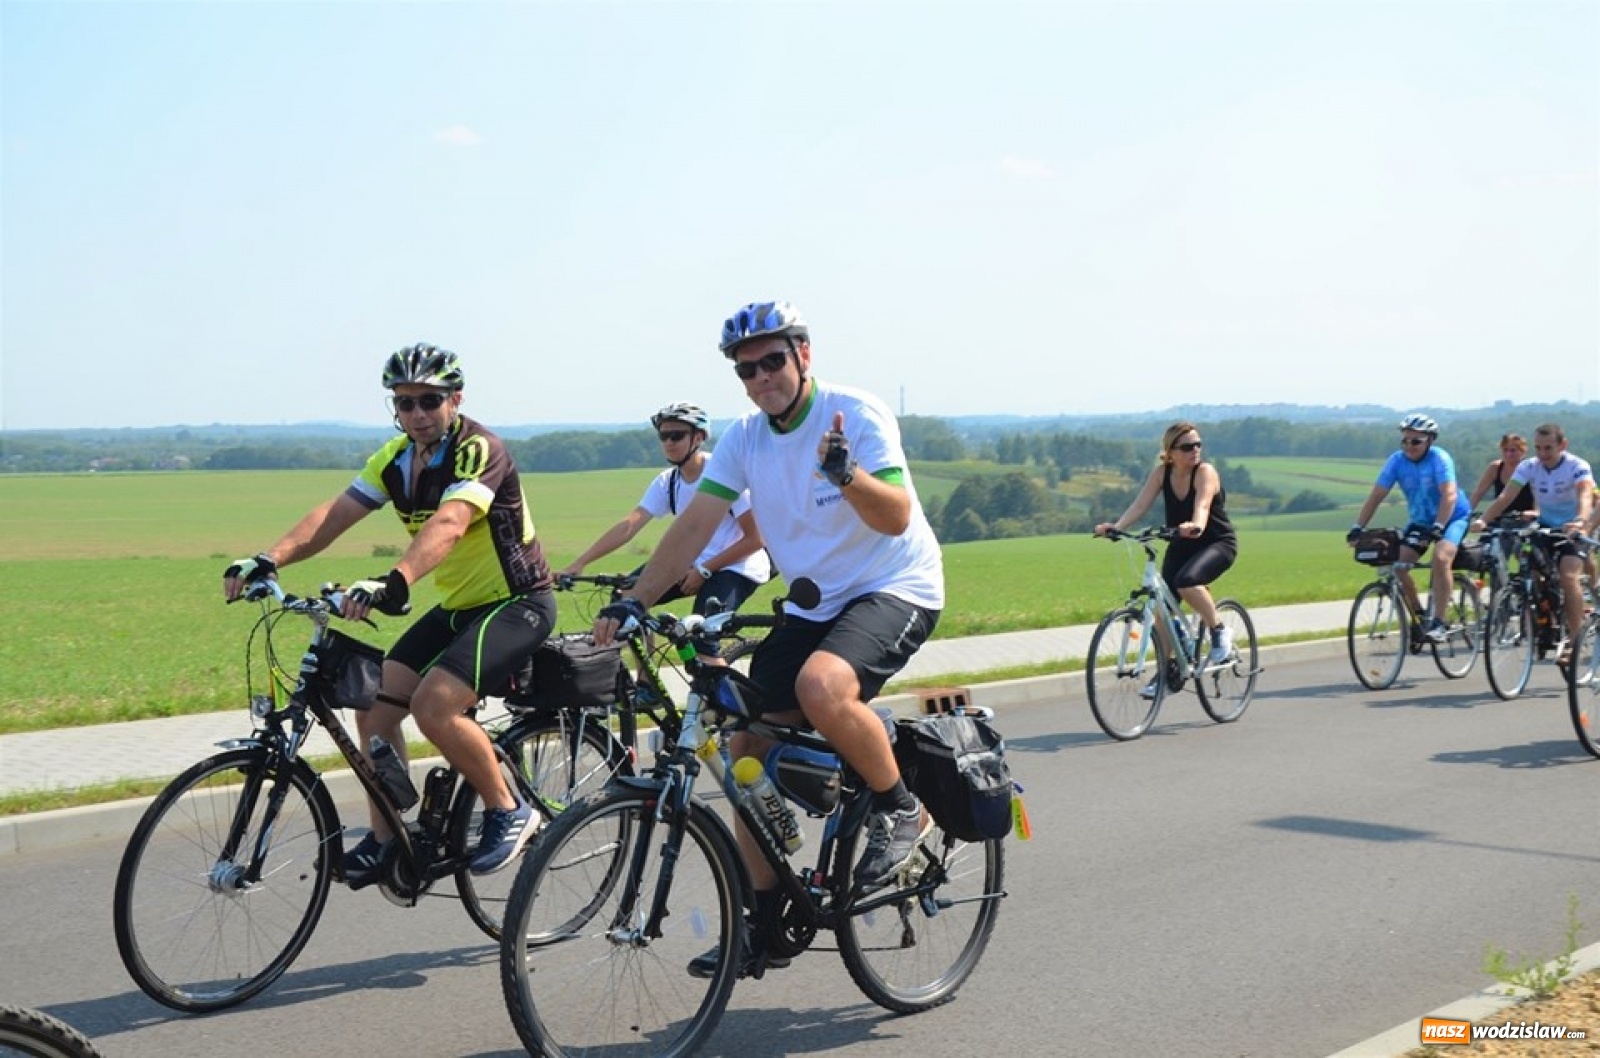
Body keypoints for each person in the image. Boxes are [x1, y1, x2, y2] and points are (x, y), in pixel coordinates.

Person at [590, 299, 944, 979]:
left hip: (894, 586)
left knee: (821, 688)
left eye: (772, 361)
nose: (760, 378)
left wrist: (846, 475)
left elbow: (896, 516)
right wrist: (636, 599)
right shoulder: (746, 439)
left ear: (803, 355)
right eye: (745, 369)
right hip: (816, 604)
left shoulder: (857, 413)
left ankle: (902, 809)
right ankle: (767, 922)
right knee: (743, 744)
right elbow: (695, 525)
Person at [223, 343, 556, 886]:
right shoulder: (396, 459)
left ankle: (508, 808)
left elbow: (449, 522)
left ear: (455, 398)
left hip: (518, 603)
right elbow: (334, 514)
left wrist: (396, 579)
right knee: (374, 710)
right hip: (458, 607)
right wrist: (269, 558)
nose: (418, 413)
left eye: (430, 400)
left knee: (435, 706)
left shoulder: (479, 449)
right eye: (404, 403)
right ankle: (385, 841)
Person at [559, 402, 770, 619]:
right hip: (691, 561)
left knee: (702, 633)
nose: (669, 442)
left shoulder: (724, 474)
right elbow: (629, 525)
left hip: (736, 566)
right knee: (626, 600)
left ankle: (711, 653)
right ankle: (646, 652)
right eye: (663, 436)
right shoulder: (668, 482)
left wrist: (704, 570)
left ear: (698, 438)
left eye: (677, 435)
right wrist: (580, 562)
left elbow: (755, 540)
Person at [1094, 422, 1238, 697]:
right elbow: (1140, 504)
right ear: (1170, 452)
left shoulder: (1205, 472)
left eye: (1198, 445)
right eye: (1187, 447)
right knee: (1160, 611)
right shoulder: (1162, 473)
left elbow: (1203, 505)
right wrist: (1117, 527)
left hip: (1216, 543)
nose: (1195, 451)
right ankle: (1167, 672)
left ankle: (1218, 630)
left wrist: (1194, 525)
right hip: (1181, 544)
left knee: (1187, 581)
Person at [1347, 413, 1472, 643]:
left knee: (1441, 559)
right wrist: (1357, 527)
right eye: (1405, 440)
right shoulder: (1397, 461)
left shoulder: (1440, 459)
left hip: (1452, 517)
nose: (1409, 446)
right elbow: (1376, 496)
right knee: (1399, 566)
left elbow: (1449, 494)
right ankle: (1419, 615)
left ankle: (1440, 623)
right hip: (1420, 521)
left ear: (1430, 440)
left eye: (1416, 441)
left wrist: (1439, 526)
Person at [1474, 422, 1594, 658]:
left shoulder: (1577, 466)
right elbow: (1506, 496)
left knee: (1568, 576)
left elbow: (1585, 494)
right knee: (1533, 569)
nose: (1542, 454)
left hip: (1573, 526)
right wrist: (1484, 520)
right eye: (1538, 448)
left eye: (1548, 448)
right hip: (1546, 526)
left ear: (1563, 445)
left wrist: (1580, 519)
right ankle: (1545, 619)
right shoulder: (1530, 466)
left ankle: (1574, 637)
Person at [1466, 433, 1536, 520]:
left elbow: (1539, 497)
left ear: (1523, 451)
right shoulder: (1495, 468)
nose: (1508, 454)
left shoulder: (1531, 469)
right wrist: (1466, 512)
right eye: (1505, 450)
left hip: (1526, 520)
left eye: (1512, 450)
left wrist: (1535, 512)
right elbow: (1478, 493)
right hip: (1499, 519)